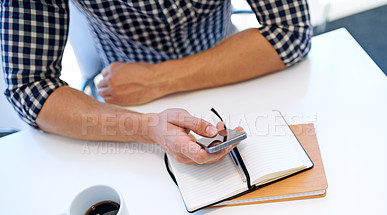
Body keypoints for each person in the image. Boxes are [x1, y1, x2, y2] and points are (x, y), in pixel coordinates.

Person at [0, 0, 312, 164]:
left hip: (231, 68)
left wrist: (158, 79)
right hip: (125, 103)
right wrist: (148, 127)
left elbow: (292, 30)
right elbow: (28, 88)